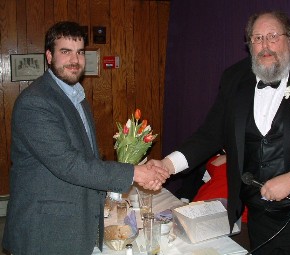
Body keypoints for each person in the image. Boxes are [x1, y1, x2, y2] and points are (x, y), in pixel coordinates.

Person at [148, 11, 290, 255]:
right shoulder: (234, 78)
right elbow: (210, 134)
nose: (265, 45)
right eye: (257, 38)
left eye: (273, 36)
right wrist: (167, 165)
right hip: (257, 216)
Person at [2, 21, 169, 255]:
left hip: (74, 222)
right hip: (44, 230)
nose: (75, 60)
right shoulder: (35, 102)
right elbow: (69, 164)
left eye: (80, 52)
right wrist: (135, 173)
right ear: (49, 56)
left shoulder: (76, 95)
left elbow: (86, 157)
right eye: (65, 51)